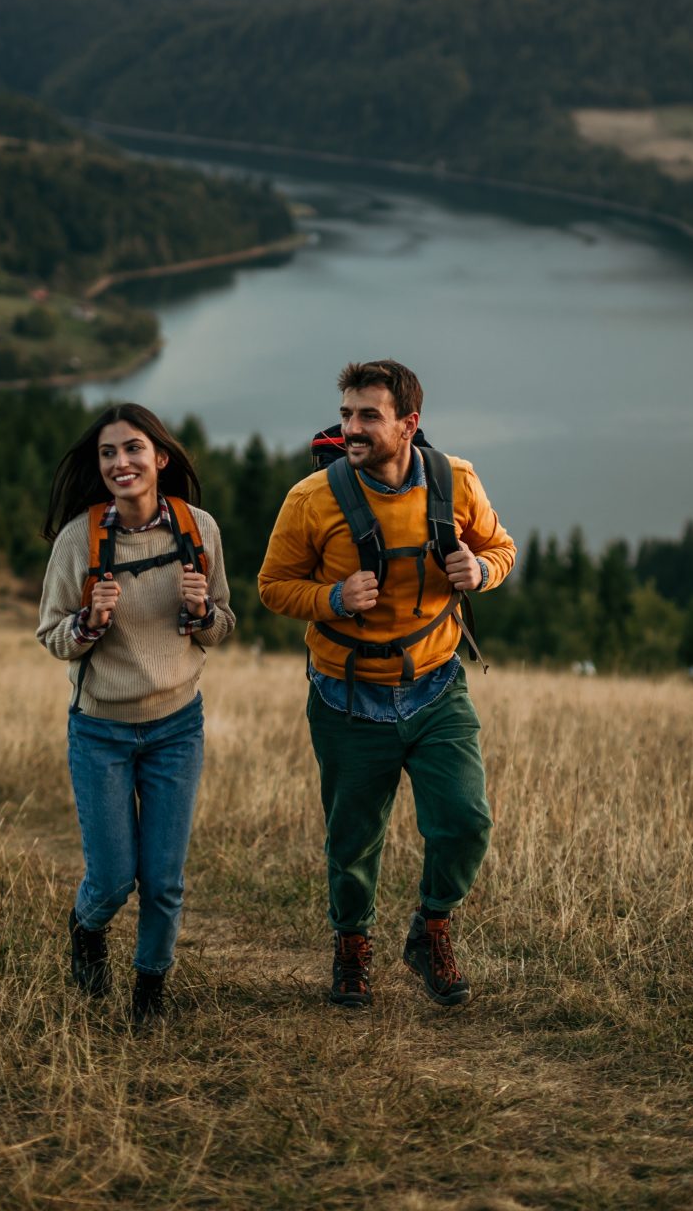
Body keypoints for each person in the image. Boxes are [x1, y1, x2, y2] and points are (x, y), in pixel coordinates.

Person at [258, 360, 515, 1008]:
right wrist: (334, 597)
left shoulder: (455, 481)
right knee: (353, 838)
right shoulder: (310, 500)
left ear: (409, 425)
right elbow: (272, 588)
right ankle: (351, 944)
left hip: (436, 687)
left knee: (464, 820)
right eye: (346, 414)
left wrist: (479, 571)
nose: (351, 427)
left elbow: (502, 548)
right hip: (347, 698)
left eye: (368, 415)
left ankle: (431, 927)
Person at [36, 403, 235, 1021]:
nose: (121, 462)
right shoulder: (80, 539)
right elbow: (51, 635)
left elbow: (222, 625)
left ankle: (150, 992)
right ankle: (87, 928)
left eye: (133, 449)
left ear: (161, 457)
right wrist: (88, 622)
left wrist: (203, 615)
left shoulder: (197, 529)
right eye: (108, 453)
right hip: (100, 729)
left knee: (165, 879)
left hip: (178, 726)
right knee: (115, 878)